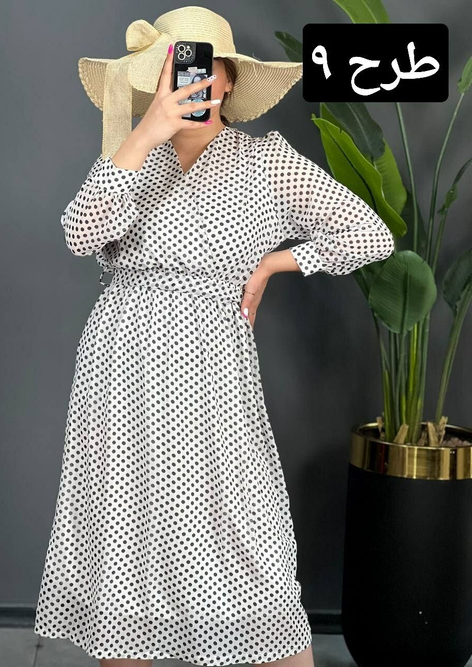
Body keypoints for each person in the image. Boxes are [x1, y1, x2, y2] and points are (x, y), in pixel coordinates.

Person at [33, 7, 395, 667]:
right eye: (175, 69)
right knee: (125, 527)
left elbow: (369, 233)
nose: (193, 81)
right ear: (157, 79)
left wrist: (277, 262)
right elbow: (80, 234)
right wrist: (145, 132)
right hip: (121, 364)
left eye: (204, 68)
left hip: (211, 368)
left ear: (228, 79)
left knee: (243, 525)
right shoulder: (130, 159)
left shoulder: (265, 160)